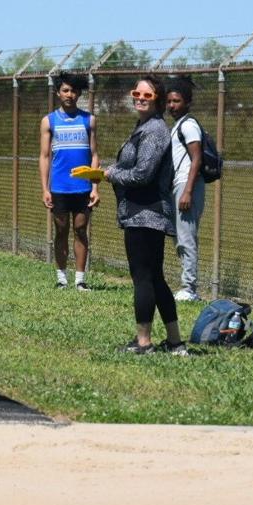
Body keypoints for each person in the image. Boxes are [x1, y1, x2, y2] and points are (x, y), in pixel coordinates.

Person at [89, 75, 186, 355]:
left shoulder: (155, 130)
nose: (140, 99)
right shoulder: (143, 127)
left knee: (143, 277)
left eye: (148, 95)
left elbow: (143, 174)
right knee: (155, 277)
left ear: (158, 99)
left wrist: (109, 174)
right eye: (137, 93)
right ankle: (175, 341)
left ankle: (143, 342)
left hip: (147, 214)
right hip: (139, 212)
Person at [39, 73, 99, 290]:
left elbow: (94, 155)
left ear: (79, 93)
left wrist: (95, 187)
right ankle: (61, 278)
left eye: (73, 91)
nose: (69, 95)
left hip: (82, 187)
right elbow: (45, 156)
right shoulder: (49, 121)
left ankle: (80, 280)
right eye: (65, 90)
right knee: (61, 230)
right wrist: (45, 188)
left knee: (81, 230)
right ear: (58, 93)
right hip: (59, 188)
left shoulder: (89, 120)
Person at [166, 77, 205, 302]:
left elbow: (196, 158)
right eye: (169, 101)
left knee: (186, 237)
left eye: (177, 101)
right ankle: (186, 286)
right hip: (178, 185)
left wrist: (188, 191)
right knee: (179, 237)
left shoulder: (189, 125)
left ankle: (189, 288)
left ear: (187, 102)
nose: (172, 105)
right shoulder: (178, 125)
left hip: (186, 184)